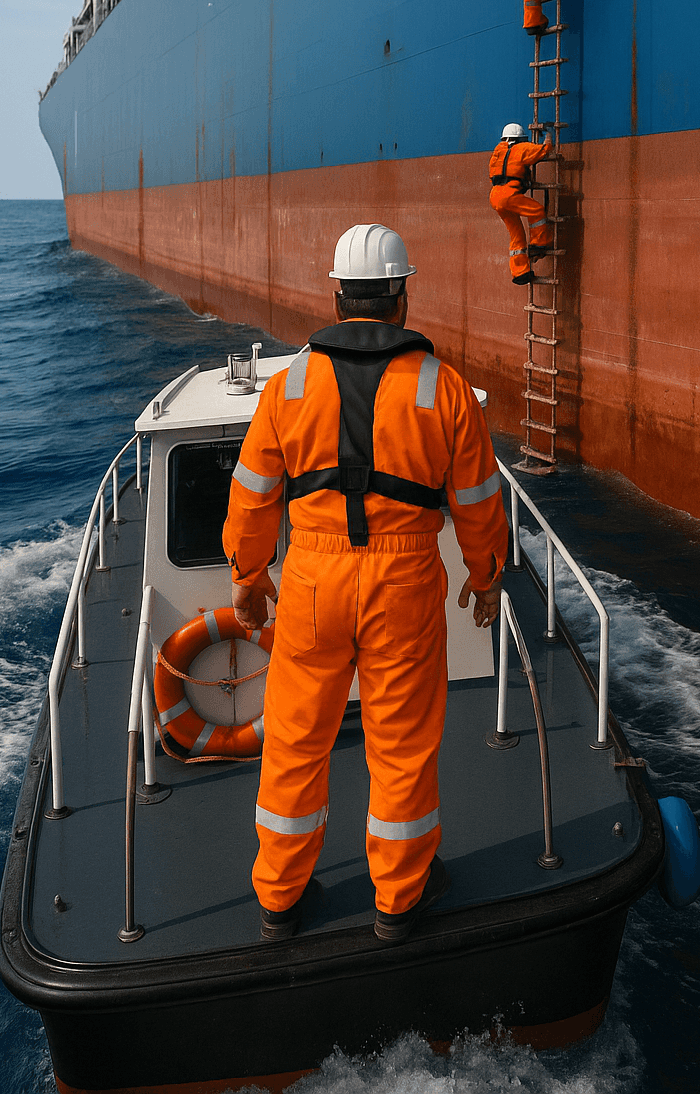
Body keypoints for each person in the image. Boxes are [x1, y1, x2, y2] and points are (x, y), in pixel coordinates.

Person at [222, 223, 508, 944]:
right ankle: (398, 900)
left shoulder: (286, 384)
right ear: (402, 298)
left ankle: (280, 899)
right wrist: (485, 577)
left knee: (294, 737)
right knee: (402, 742)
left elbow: (253, 494)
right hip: (405, 582)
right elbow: (477, 502)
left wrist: (249, 578)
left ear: (338, 295)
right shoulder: (445, 390)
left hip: (313, 580)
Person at [489, 122, 555, 285]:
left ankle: (520, 273)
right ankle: (538, 246)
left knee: (516, 234)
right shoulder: (522, 148)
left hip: (495, 196)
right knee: (537, 211)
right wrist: (548, 137)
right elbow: (543, 151)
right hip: (510, 194)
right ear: (520, 138)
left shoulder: (497, 152)